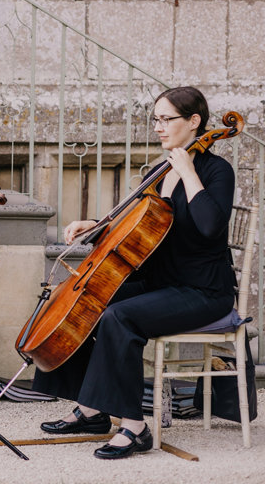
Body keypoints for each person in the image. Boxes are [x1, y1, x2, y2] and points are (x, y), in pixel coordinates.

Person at [33, 85, 237, 459]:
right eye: (155, 120)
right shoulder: (160, 172)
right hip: (163, 281)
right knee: (83, 300)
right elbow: (137, 226)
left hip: (204, 290)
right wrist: (94, 225)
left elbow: (210, 225)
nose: (158, 127)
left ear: (194, 122)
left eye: (167, 119)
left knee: (120, 316)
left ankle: (134, 427)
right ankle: (91, 408)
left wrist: (189, 173)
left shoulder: (215, 170)